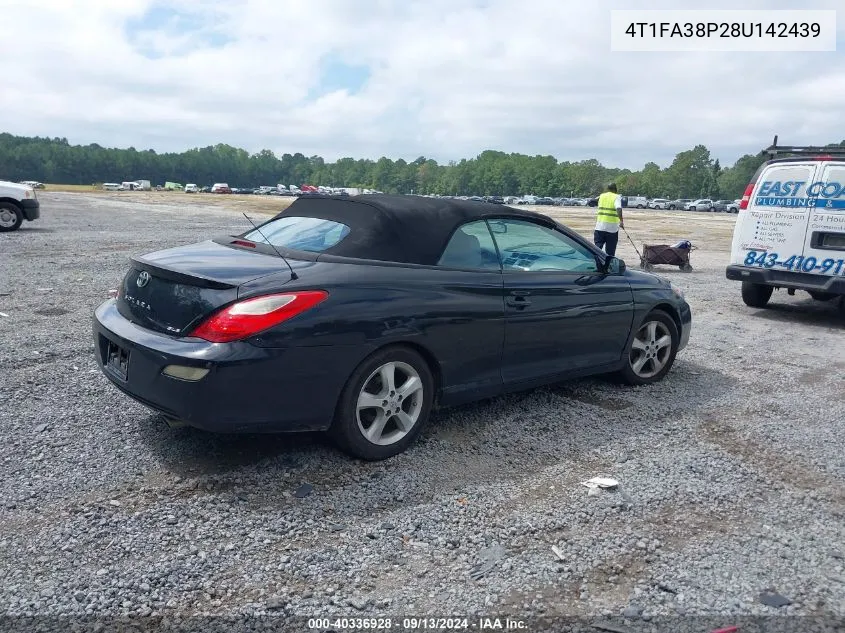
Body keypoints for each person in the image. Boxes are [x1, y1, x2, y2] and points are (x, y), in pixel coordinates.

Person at [594, 183, 623, 256]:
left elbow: (592, 201)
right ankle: (608, 266)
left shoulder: (602, 196)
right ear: (615, 189)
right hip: (612, 229)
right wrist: (621, 221)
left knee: (596, 250)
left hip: (599, 227)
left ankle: (597, 265)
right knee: (610, 252)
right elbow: (618, 208)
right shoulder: (616, 197)